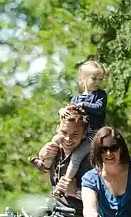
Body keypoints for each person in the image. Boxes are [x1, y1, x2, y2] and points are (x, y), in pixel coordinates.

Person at [29, 60, 108, 197]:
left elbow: (98, 108)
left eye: (100, 79)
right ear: (83, 79)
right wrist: (62, 110)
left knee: (76, 157)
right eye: (94, 78)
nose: (97, 82)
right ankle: (45, 166)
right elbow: (68, 109)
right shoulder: (76, 97)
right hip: (79, 134)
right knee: (55, 140)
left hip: (91, 136)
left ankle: (65, 182)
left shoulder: (99, 95)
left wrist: (82, 105)